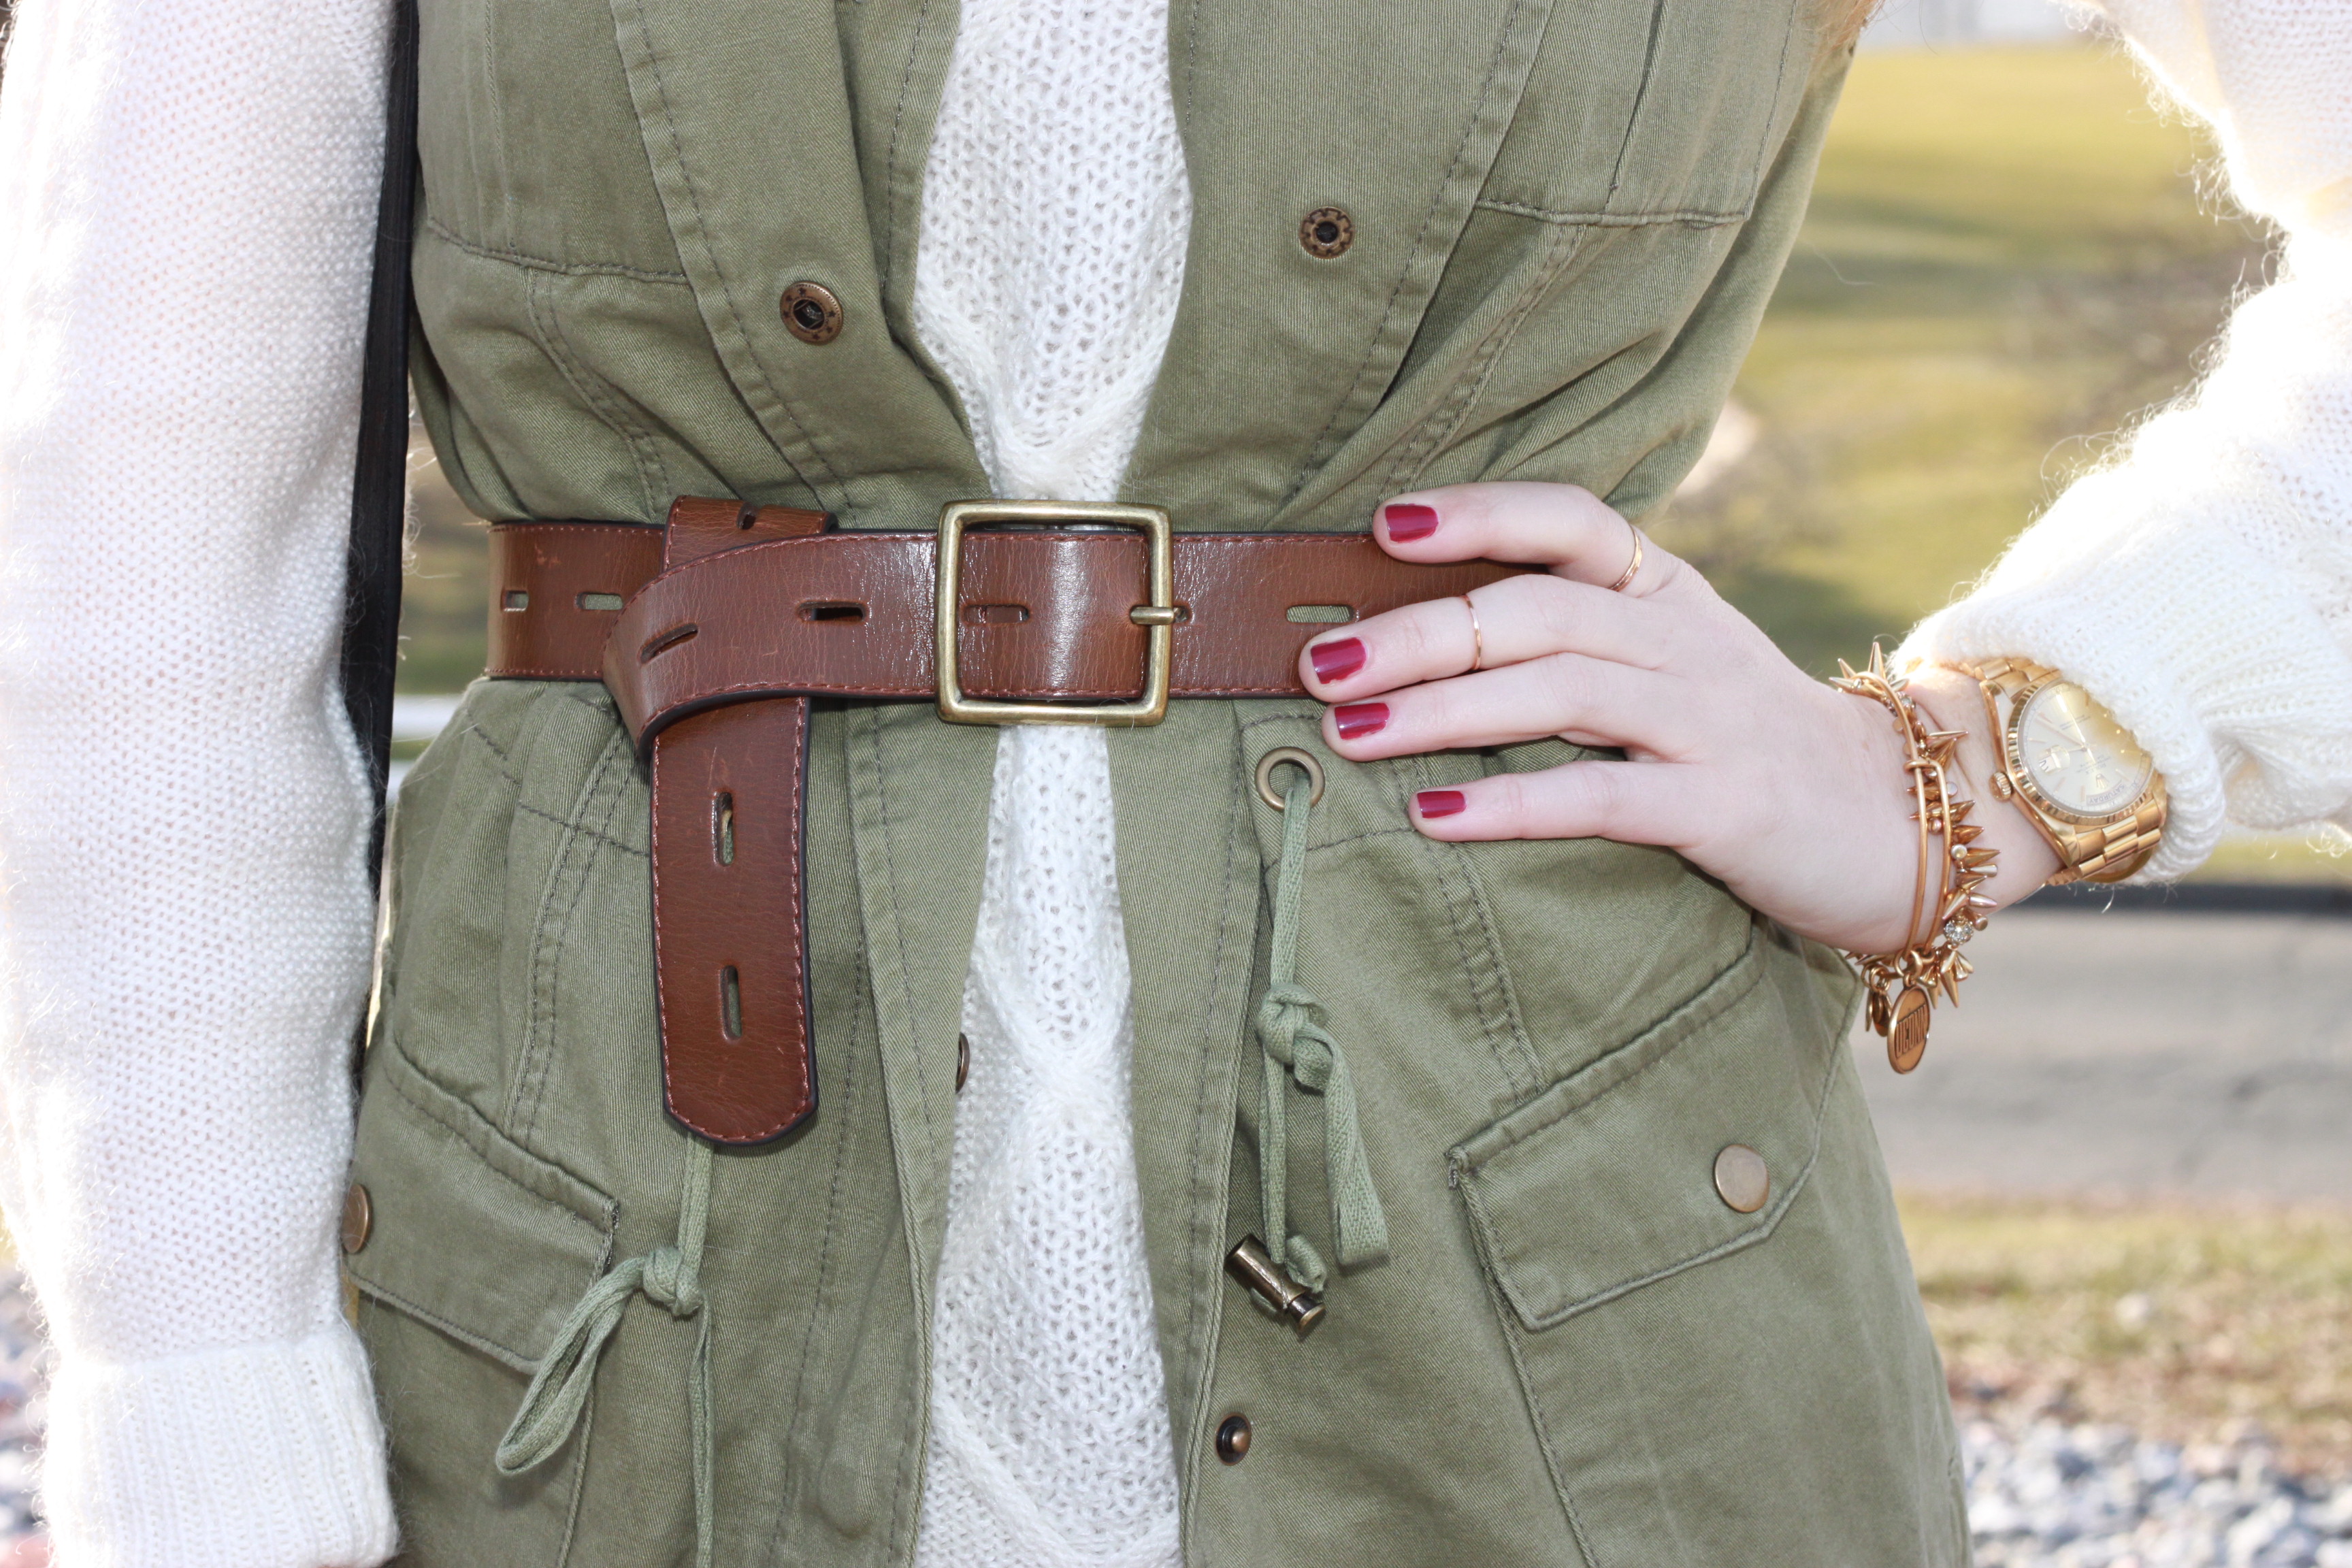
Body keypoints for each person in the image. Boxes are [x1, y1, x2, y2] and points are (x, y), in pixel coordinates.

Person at [0, 0, 2340, 1564]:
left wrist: (1999, 751)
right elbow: (142, 519)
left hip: (1577, 1323)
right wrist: (193, 1402)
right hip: (590, 1319)